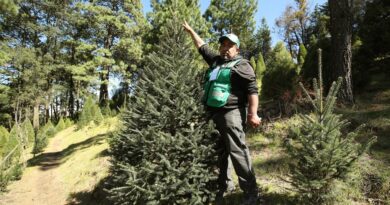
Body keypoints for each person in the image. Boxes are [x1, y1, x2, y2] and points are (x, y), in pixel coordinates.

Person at [182, 21, 261, 205]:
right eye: (223, 45)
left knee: (237, 151)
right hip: (213, 114)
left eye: (229, 45)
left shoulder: (242, 65)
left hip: (232, 113)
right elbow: (202, 46)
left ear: (237, 49)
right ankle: (225, 185)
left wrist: (253, 114)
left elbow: (253, 90)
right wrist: (191, 30)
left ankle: (251, 193)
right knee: (219, 152)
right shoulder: (216, 62)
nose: (225, 48)